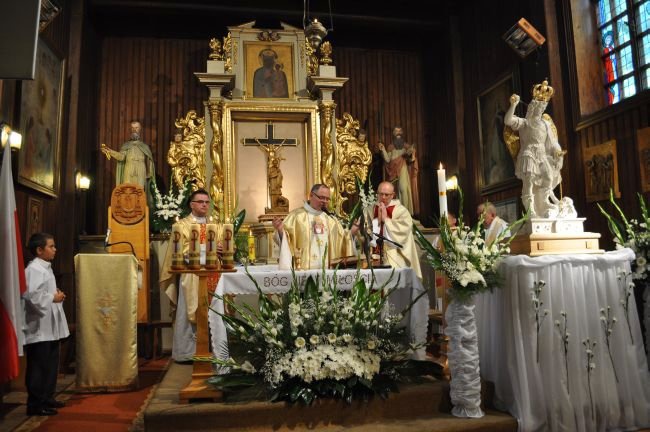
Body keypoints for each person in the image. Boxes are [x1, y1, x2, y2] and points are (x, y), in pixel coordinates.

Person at [160, 189, 223, 362]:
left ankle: (215, 350)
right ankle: (187, 353)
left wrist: (222, 249)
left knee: (215, 311)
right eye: (200, 201)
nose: (204, 205)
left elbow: (221, 246)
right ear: (192, 204)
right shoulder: (181, 225)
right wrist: (209, 250)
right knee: (189, 312)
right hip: (191, 275)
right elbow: (182, 251)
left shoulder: (215, 224)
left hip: (214, 274)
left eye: (207, 202)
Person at [22, 233, 69, 416]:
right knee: (38, 365)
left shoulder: (46, 268)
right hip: (39, 326)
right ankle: (35, 403)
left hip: (49, 325)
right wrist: (53, 297)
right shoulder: (34, 269)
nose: (55, 249)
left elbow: (43, 291)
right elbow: (32, 296)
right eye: (51, 246)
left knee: (50, 363)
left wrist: (56, 294)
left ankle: (47, 397)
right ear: (39, 250)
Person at [504, 80, 564, 218]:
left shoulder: (545, 124)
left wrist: (557, 151)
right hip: (528, 153)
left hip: (542, 154)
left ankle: (544, 202)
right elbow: (508, 120)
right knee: (529, 182)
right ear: (532, 108)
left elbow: (552, 141)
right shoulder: (524, 123)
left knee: (548, 177)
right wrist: (513, 105)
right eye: (538, 107)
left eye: (543, 107)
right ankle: (530, 210)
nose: (540, 109)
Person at [272, 184, 358, 269]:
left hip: (327, 273)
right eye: (321, 197)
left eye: (327, 199)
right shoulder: (296, 216)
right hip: (303, 271)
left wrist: (352, 232)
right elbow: (286, 241)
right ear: (311, 195)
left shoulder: (332, 220)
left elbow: (342, 240)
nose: (324, 201)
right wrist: (280, 230)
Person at [371, 181, 422, 279]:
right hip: (373, 256)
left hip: (395, 254)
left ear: (393, 195)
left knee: (392, 287)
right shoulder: (370, 209)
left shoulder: (401, 211)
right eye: (380, 194)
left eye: (387, 194)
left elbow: (404, 231)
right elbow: (365, 230)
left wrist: (386, 220)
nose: (383, 197)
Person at [101, 120, 156, 207]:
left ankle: (140, 211)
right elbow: (121, 157)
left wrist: (149, 172)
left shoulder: (144, 146)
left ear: (140, 129)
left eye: (136, 128)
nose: (134, 130)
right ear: (130, 130)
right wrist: (110, 151)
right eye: (133, 128)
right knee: (127, 189)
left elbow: (149, 159)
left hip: (140, 169)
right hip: (129, 167)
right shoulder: (126, 145)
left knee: (140, 190)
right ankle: (127, 209)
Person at [378, 127, 415, 215]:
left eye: (399, 131)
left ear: (402, 133)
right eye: (396, 131)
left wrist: (411, 152)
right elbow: (387, 160)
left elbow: (411, 159)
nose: (398, 133)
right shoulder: (390, 146)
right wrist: (383, 149)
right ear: (393, 134)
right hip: (393, 170)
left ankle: (406, 212)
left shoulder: (406, 146)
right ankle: (399, 212)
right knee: (395, 191)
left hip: (402, 167)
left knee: (403, 188)